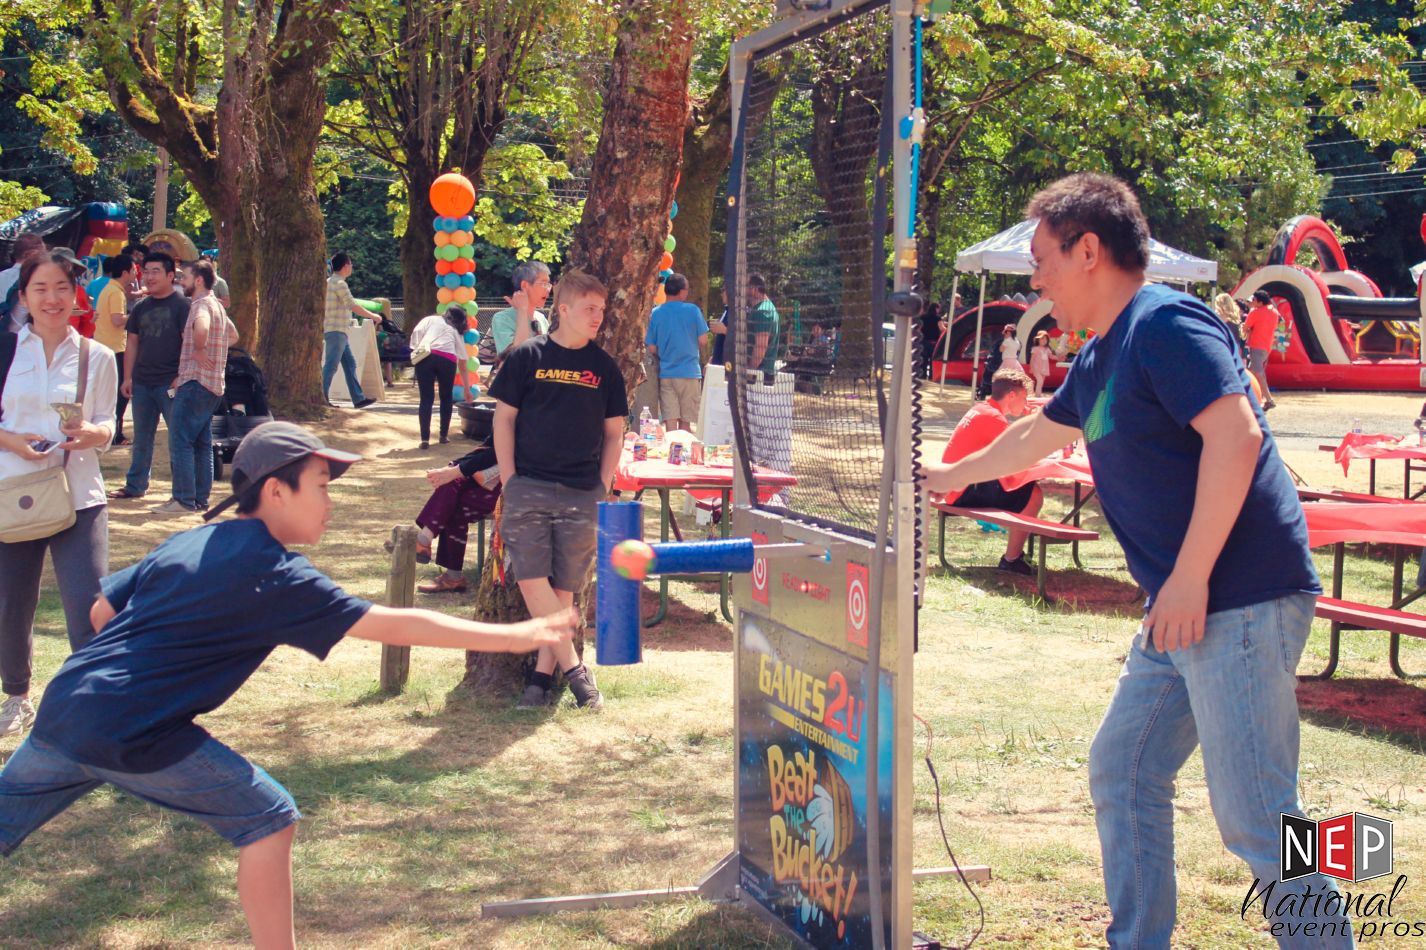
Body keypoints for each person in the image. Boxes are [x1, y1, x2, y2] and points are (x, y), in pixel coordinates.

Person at [922, 173, 1344, 948]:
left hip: (1237, 597)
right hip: (1181, 611)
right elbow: (1038, 437)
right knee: (1125, 770)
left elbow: (1237, 436)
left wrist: (1186, 579)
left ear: (1089, 251)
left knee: (1260, 816)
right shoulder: (1101, 352)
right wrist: (947, 475)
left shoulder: (1165, 323)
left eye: (1044, 258)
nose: (1036, 276)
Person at [0, 421, 578, 945]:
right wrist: (514, 636)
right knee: (269, 817)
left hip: (68, 705)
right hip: (133, 729)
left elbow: (102, 610)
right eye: (321, 486)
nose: (330, 502)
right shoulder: (274, 573)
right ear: (276, 492)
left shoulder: (195, 539)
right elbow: (391, 623)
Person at [489, 269, 627, 710]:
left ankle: (540, 681)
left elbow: (614, 434)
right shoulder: (526, 356)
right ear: (562, 310)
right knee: (533, 581)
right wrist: (510, 479)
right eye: (589, 309)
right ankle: (578, 675)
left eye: (601, 310)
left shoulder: (605, 368)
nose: (597, 318)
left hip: (582, 491)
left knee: (564, 589)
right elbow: (503, 420)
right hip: (527, 485)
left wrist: (602, 487)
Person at [0, 250, 118, 737]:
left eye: (62, 289)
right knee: (10, 603)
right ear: (23, 297)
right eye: (40, 289)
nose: (52, 298)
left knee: (89, 603)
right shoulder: (6, 350)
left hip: (78, 494)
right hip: (11, 492)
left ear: (76, 296)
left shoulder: (99, 356)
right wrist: (10, 440)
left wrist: (97, 434)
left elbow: (110, 422)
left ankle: (91, 705)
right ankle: (16, 697)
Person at [938, 367, 1043, 575]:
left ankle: (1015, 555)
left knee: (1024, 487)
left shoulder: (983, 409)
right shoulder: (993, 418)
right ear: (1012, 395)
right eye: (1025, 397)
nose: (1026, 403)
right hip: (960, 491)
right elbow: (1020, 454)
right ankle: (1011, 559)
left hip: (954, 486)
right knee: (1034, 494)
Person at [108, 252, 190, 501]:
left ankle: (182, 493)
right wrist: (128, 377)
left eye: (156, 271)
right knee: (142, 437)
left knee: (179, 438)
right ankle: (135, 485)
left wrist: (181, 375)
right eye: (146, 271)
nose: (149, 276)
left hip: (171, 382)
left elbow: (189, 344)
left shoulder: (182, 306)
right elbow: (132, 343)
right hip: (142, 382)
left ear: (169, 275)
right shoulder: (141, 306)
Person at [160, 259, 240, 514]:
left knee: (180, 441)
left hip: (195, 382)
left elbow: (202, 326)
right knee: (203, 443)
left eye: (184, 277)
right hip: (213, 385)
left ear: (198, 280)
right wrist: (213, 354)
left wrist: (200, 349)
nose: (180, 281)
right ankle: (200, 499)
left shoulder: (201, 304)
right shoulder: (218, 305)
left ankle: (183, 500)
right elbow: (234, 336)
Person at [401, 442, 502, 593]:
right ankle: (452, 576)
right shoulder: (504, 419)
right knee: (451, 494)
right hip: (490, 478)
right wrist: (455, 467)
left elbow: (498, 454)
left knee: (452, 492)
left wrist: (457, 470)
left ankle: (425, 541)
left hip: (510, 488)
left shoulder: (520, 421)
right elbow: (487, 450)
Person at [645, 273, 707, 432]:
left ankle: (672, 454)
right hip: (690, 373)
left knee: (670, 421)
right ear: (681, 292)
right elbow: (703, 340)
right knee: (687, 422)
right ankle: (684, 454)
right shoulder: (693, 311)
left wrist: (666, 351)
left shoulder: (656, 313)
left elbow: (651, 347)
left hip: (666, 373)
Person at [409, 304, 475, 449]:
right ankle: (443, 436)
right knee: (446, 398)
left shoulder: (430, 319)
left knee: (426, 399)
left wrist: (417, 347)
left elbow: (417, 332)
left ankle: (424, 439)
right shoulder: (455, 331)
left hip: (425, 357)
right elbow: (463, 364)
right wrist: (467, 389)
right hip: (447, 360)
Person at [322, 252, 378, 409]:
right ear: (346, 266)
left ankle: (358, 399)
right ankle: (322, 397)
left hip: (337, 330)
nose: (352, 267)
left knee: (350, 363)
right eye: (351, 264)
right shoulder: (339, 283)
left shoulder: (329, 282)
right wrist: (373, 316)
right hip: (336, 330)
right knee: (331, 365)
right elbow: (352, 305)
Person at [92, 254, 136, 445]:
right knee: (120, 394)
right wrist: (135, 315)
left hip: (105, 345)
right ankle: (116, 433)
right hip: (115, 348)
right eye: (134, 270)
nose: (136, 274)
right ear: (125, 273)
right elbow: (117, 320)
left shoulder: (110, 289)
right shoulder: (116, 292)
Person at [490, 261, 553, 361]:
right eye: (543, 283)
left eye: (548, 284)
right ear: (525, 286)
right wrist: (522, 311)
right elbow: (517, 356)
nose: (548, 289)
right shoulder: (502, 318)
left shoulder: (541, 318)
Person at [1241, 289, 1280, 410]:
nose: (1252, 302)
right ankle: (1255, 397)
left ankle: (1268, 399)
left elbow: (1245, 327)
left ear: (1259, 302)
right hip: (1267, 346)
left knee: (1257, 372)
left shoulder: (1255, 312)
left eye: (1254, 300)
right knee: (1253, 371)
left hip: (1256, 345)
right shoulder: (1274, 312)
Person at [0, 234, 46, 331]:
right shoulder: (37, 280)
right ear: (31, 254)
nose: (45, 258)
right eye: (43, 253)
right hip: (24, 339)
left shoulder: (1, 276)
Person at [746, 273, 781, 382]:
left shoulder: (762, 311)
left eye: (745, 286)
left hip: (759, 377)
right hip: (761, 375)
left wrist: (750, 372)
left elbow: (760, 346)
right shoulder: (765, 308)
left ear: (754, 289)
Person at [918, 301, 942, 379]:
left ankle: (922, 376)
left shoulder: (923, 317)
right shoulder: (937, 318)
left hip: (924, 341)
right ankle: (932, 377)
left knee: (923, 361)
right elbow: (941, 328)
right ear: (936, 308)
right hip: (934, 342)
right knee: (933, 361)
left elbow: (919, 328)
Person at [708, 286, 730, 367]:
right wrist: (713, 358)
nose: (721, 294)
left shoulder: (739, 312)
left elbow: (742, 337)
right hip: (718, 362)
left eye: (723, 290)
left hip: (728, 365)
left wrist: (725, 330)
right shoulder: (727, 310)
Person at [1028, 330, 1053, 397]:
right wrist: (1032, 367)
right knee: (1040, 381)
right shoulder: (1035, 349)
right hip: (1037, 368)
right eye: (1042, 339)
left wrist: (1059, 358)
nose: (1044, 340)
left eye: (1046, 339)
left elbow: (1051, 356)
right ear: (1038, 340)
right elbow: (1032, 359)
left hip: (1044, 368)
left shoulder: (1047, 349)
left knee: (1041, 382)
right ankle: (1037, 395)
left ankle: (1038, 393)